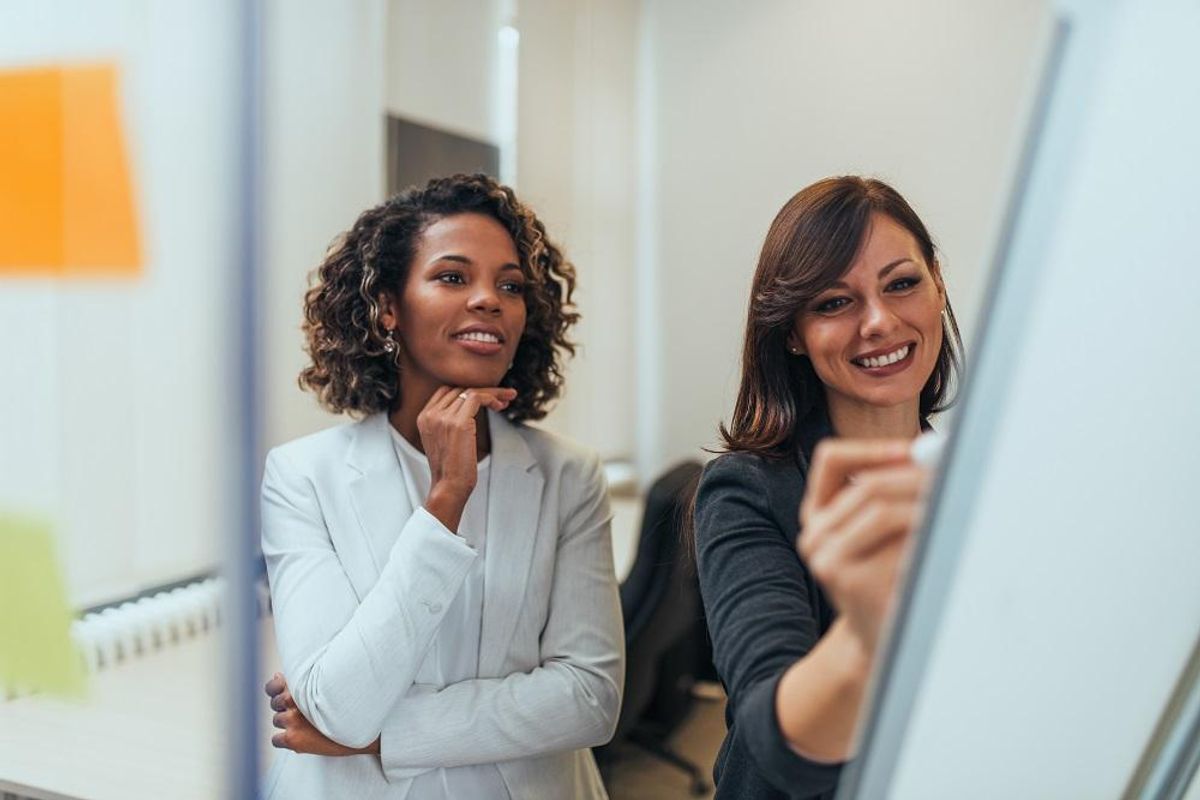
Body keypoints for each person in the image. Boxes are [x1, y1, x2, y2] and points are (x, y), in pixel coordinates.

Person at [259, 174, 624, 799]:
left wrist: (383, 736)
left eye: (510, 285)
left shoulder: (570, 475)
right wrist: (446, 499)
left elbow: (589, 699)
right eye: (453, 276)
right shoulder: (302, 476)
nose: (489, 300)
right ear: (388, 308)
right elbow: (337, 707)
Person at [692, 176, 963, 799]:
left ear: (938, 283)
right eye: (834, 302)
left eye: (902, 283)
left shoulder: (974, 479)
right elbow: (775, 742)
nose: (879, 321)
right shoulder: (745, 491)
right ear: (793, 332)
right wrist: (868, 633)